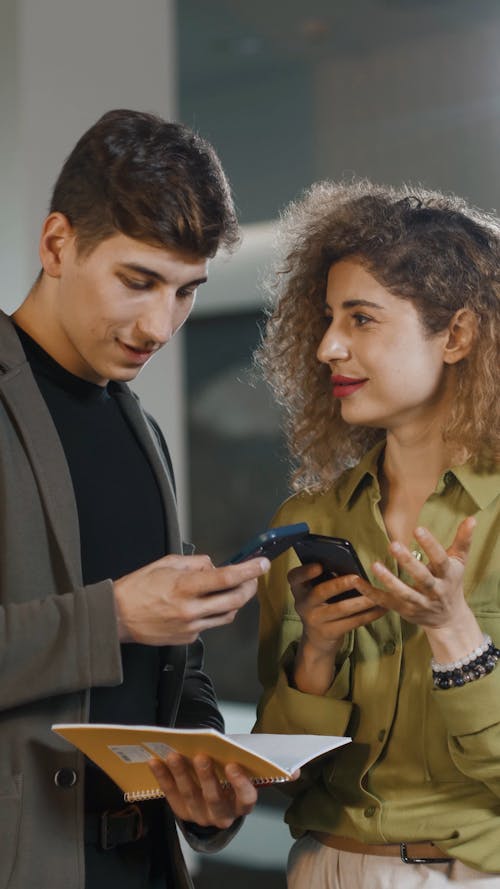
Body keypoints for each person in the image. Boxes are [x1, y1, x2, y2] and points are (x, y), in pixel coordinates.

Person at [0, 109, 270, 889]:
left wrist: (211, 784)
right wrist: (111, 615)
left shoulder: (143, 431)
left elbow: (175, 674)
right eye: (138, 280)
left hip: (144, 866)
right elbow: (123, 620)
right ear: (57, 244)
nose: (161, 324)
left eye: (186, 291)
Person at [254, 179, 500, 888]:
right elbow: (282, 773)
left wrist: (456, 634)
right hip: (322, 866)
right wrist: (318, 655)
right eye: (328, 318)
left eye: (361, 318)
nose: (329, 345)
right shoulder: (311, 523)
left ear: (456, 334)